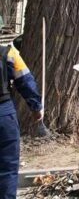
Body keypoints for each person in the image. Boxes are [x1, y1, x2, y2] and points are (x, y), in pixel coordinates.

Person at [0, 43, 43, 197]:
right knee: (7, 168)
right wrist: (36, 107)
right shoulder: (8, 53)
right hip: (3, 113)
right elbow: (25, 81)